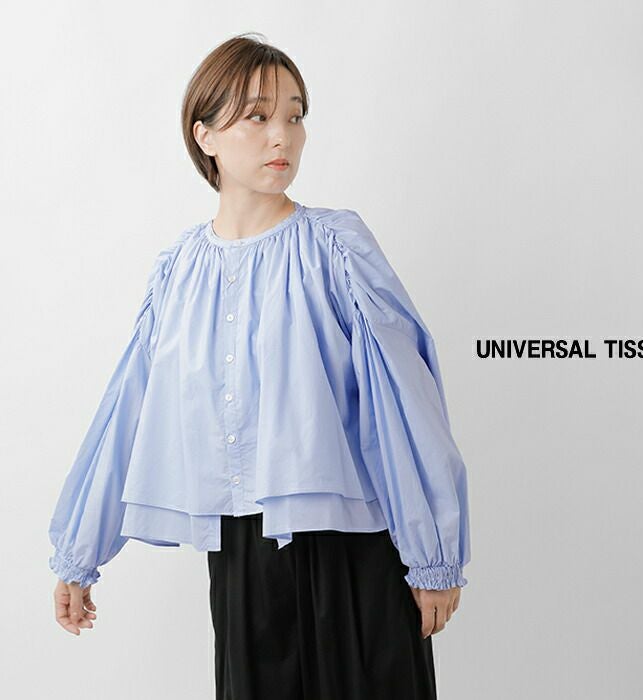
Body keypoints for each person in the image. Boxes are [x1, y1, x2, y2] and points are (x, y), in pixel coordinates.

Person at [49, 33, 471, 700]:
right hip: (241, 559)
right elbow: (127, 412)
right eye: (257, 116)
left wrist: (434, 557)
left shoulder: (337, 248)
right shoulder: (178, 272)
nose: (283, 136)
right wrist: (80, 554)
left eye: (295, 116)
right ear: (205, 135)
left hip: (354, 554)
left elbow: (405, 405)